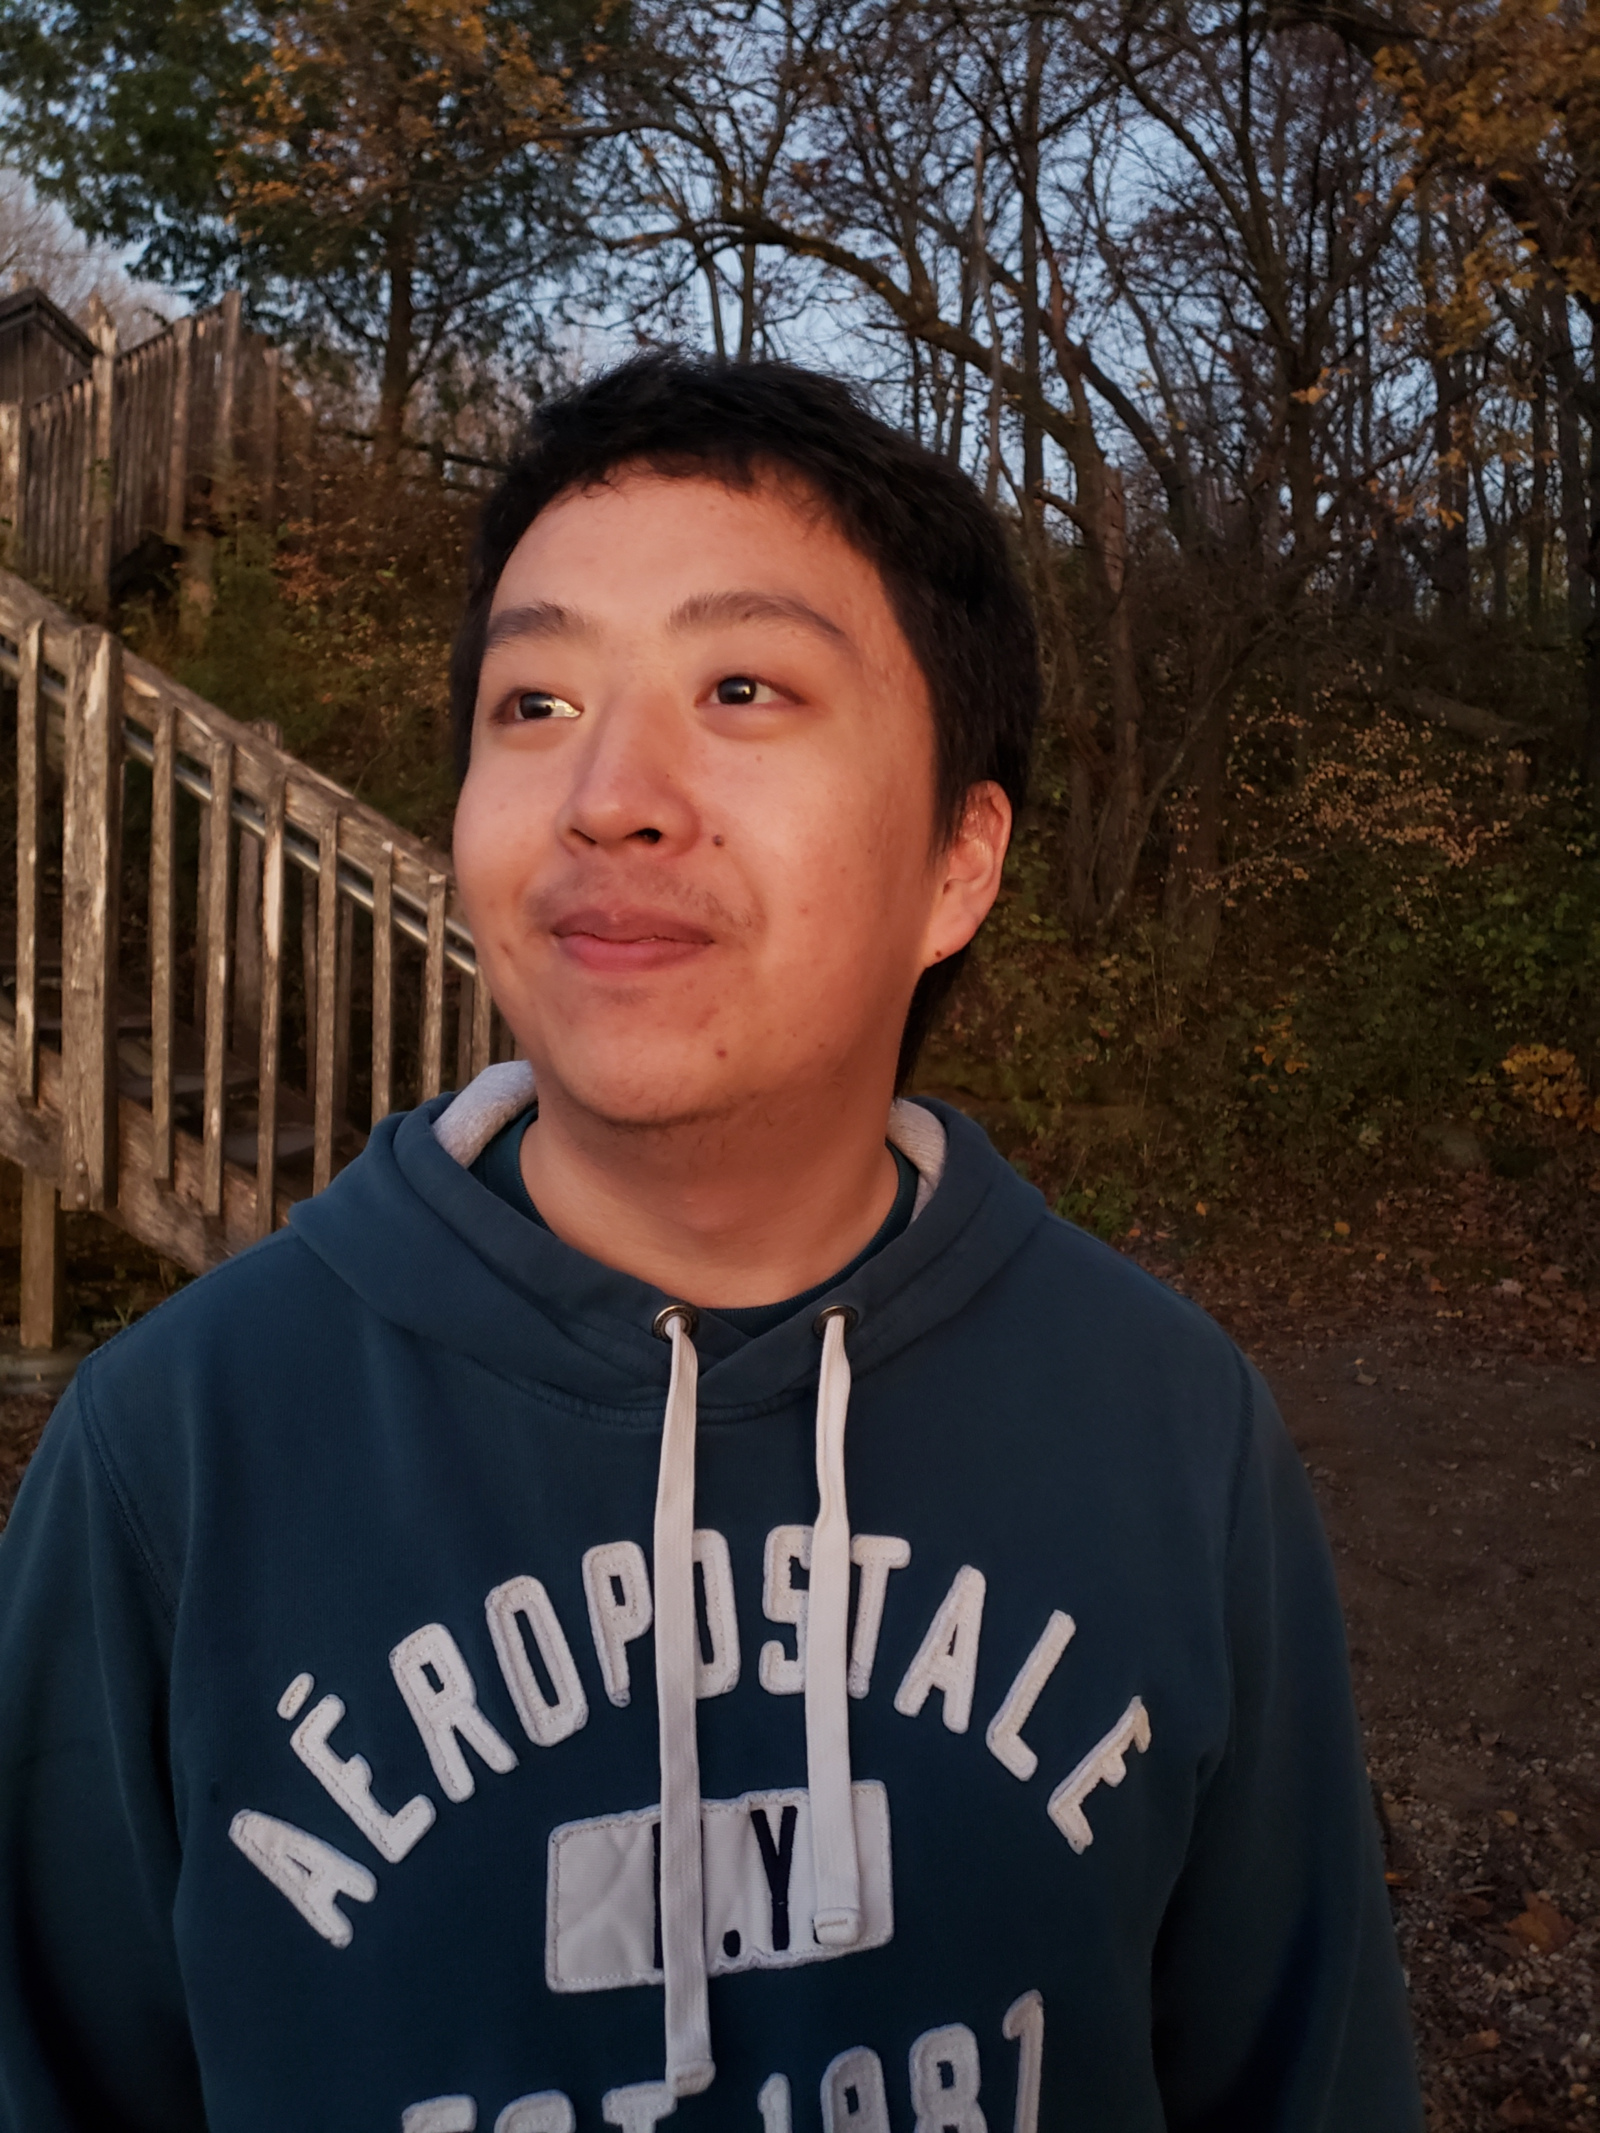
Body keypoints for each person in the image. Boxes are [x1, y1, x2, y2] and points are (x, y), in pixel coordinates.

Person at [0, 354, 1423, 2133]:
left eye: (741, 684)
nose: (610, 792)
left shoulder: (1170, 1433)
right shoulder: (174, 1462)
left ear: (958, 861)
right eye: (532, 703)